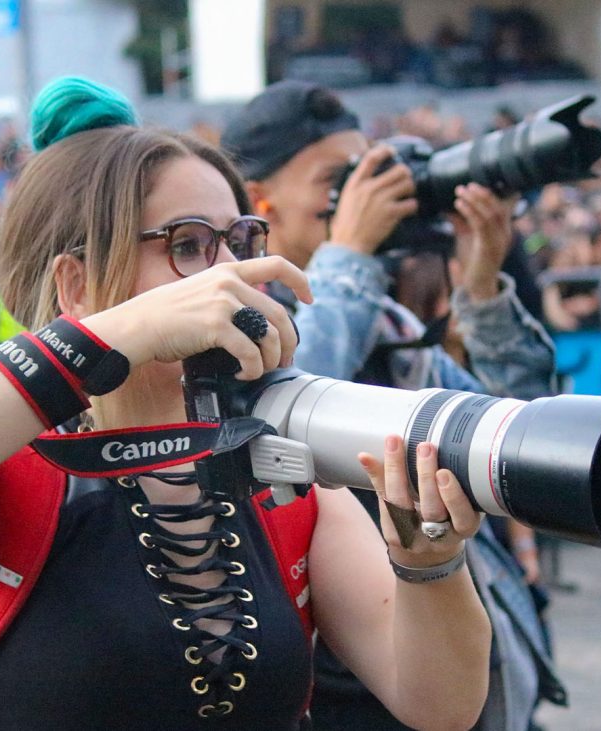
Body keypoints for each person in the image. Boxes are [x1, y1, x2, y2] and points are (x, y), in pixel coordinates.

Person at [0, 76, 491, 729]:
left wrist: (430, 558)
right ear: (76, 285)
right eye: (187, 244)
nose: (228, 276)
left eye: (239, 241)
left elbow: (442, 703)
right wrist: (135, 329)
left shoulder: (281, 484)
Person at [222, 80, 558, 730]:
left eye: (370, 170)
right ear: (259, 204)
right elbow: (283, 409)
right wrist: (346, 256)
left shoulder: (390, 327)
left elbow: (523, 438)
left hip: (466, 663)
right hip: (349, 690)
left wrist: (483, 283)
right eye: (339, 179)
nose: (363, 192)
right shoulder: (233, 336)